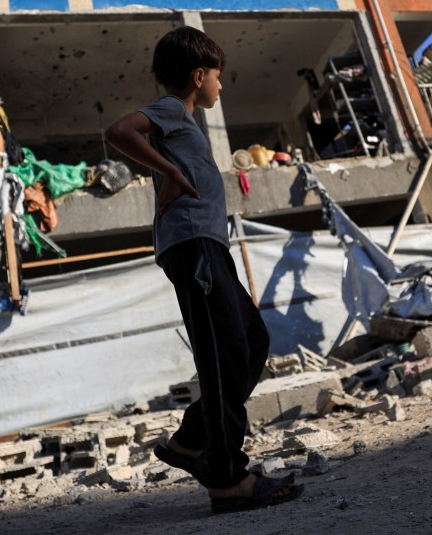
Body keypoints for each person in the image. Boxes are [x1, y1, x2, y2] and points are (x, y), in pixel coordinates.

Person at [104, 26, 302, 513]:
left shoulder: (185, 122)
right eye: (218, 77)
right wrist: (171, 172)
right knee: (223, 354)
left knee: (250, 343)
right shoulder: (172, 109)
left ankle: (192, 441)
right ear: (199, 76)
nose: (221, 86)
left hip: (210, 248)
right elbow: (118, 131)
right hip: (193, 248)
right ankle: (226, 477)